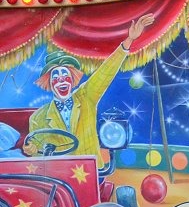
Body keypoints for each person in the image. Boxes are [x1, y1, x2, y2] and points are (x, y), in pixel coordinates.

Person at [23, 14, 155, 166]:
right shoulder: (37, 118)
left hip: (91, 171)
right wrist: (31, 149)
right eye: (56, 77)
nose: (61, 80)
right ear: (50, 83)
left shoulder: (86, 96)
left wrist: (129, 40)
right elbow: (37, 155)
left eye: (65, 76)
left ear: (72, 80)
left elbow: (105, 72)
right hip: (59, 175)